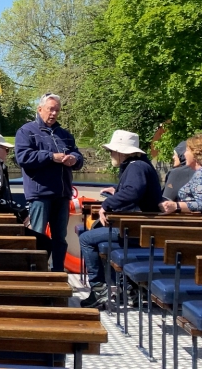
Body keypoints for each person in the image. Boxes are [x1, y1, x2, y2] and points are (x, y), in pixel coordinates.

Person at [78, 130, 163, 308]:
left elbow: (133, 192)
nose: (110, 154)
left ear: (121, 152)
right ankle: (129, 290)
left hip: (136, 230)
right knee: (96, 231)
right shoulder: (140, 165)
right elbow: (138, 193)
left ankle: (99, 290)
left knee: (85, 238)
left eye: (111, 151)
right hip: (140, 227)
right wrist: (117, 192)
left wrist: (107, 204)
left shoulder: (136, 167)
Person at [14, 93, 84, 272]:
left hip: (62, 195)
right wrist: (51, 156)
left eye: (57, 110)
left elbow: (78, 156)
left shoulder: (65, 135)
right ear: (39, 109)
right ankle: (36, 273)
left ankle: (58, 272)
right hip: (40, 195)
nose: (54, 113)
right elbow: (23, 157)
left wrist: (74, 159)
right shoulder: (26, 131)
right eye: (50, 109)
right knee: (37, 236)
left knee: (60, 238)